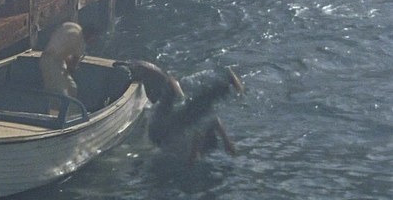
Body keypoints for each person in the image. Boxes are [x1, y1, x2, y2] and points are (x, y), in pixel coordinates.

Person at [113, 59, 244, 164]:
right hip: (171, 123)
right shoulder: (180, 127)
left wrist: (226, 142)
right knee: (194, 102)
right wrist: (226, 142)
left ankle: (227, 80)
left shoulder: (174, 126)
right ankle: (228, 80)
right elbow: (207, 126)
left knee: (183, 100)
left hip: (169, 124)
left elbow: (208, 126)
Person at [39, 21, 99, 99]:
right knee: (59, 92)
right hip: (50, 63)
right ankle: (55, 106)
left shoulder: (73, 26)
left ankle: (69, 106)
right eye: (94, 38)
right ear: (89, 35)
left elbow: (60, 42)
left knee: (72, 88)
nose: (94, 41)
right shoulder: (81, 44)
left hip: (56, 60)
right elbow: (72, 66)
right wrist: (74, 67)